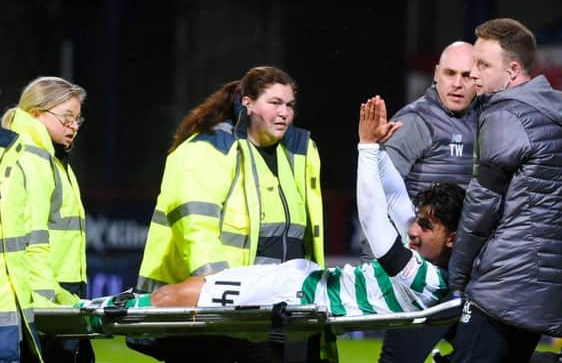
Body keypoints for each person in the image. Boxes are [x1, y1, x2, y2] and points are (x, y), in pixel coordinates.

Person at [83, 98, 463, 321]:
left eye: (426, 226)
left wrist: (365, 148)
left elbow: (374, 218)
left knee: (194, 294)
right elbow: (396, 202)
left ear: (451, 240)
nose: (414, 230)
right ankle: (116, 306)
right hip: (302, 283)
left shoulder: (424, 280)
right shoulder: (426, 260)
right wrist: (377, 151)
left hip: (297, 295)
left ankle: (104, 311)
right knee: (195, 293)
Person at [135, 66, 324, 363]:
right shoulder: (209, 149)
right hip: (219, 311)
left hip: (278, 311)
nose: (284, 112)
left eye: (290, 104)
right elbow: (196, 227)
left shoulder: (301, 151)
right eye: (274, 103)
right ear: (248, 102)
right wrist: (219, 292)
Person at [333, 41, 477, 363]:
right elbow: (378, 189)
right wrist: (378, 272)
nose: (458, 84)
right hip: (418, 283)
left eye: (466, 76)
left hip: (464, 278)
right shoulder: (416, 122)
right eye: (450, 74)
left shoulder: (485, 120)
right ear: (436, 75)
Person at [445, 18, 562, 363]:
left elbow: (481, 208)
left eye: (483, 65)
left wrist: (458, 273)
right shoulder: (553, 114)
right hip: (545, 284)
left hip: (506, 280)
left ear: (513, 70)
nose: (472, 74)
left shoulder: (505, 115)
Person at [2, 76, 90, 363]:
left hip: (40, 301)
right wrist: (47, 307)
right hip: (39, 307)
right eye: (66, 117)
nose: (74, 126)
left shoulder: (48, 158)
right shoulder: (33, 159)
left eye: (78, 119)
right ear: (37, 113)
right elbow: (33, 243)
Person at [0, 123, 50, 363]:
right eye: (67, 117)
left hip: (6, 317)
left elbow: (31, 243)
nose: (74, 126)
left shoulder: (16, 157)